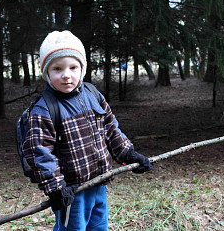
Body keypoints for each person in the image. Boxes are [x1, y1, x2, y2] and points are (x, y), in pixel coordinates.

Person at [22, 30, 153, 231]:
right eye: (57, 68)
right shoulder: (44, 109)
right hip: (72, 192)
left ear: (82, 68)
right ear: (46, 72)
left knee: (99, 228)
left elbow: (110, 129)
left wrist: (128, 154)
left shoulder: (92, 94)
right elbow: (39, 152)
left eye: (73, 67)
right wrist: (57, 189)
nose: (67, 75)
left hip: (99, 183)